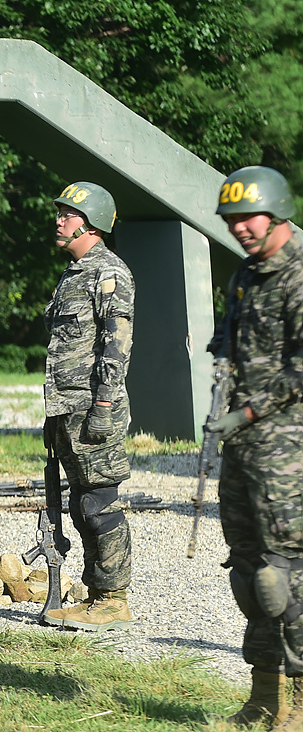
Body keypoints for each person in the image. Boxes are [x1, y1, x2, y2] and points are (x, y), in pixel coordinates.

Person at [207, 165, 303, 730]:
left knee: (284, 574)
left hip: (286, 450)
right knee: (248, 575)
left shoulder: (298, 277)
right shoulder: (244, 275)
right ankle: (264, 698)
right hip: (241, 449)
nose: (240, 228)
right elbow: (229, 334)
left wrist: (246, 411)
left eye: (248, 218)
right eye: (232, 221)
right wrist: (221, 359)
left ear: (277, 213)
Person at [39, 181, 136, 632]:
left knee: (100, 503)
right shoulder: (73, 274)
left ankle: (114, 600)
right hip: (67, 408)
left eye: (67, 215)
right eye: (59, 213)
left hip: (95, 407)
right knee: (82, 505)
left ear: (91, 222)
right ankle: (97, 597)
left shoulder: (108, 273)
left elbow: (116, 346)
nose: (58, 221)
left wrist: (102, 403)